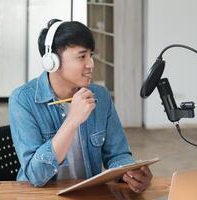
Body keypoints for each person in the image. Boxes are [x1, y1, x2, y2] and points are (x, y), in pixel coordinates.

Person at [8, 19, 152, 193]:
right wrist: (72, 121)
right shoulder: (22, 100)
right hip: (40, 195)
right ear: (52, 61)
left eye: (91, 55)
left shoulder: (101, 96)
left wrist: (130, 173)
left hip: (87, 194)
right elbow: (36, 176)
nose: (90, 64)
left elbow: (117, 154)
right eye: (81, 56)